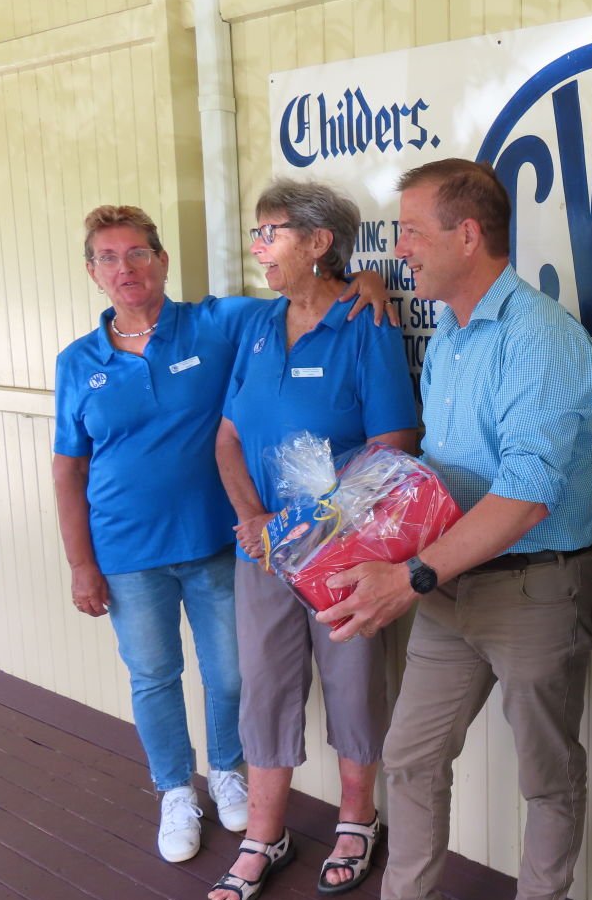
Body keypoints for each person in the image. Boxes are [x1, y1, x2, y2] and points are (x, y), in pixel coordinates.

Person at [315, 158, 592, 900]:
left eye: (411, 231)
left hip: (531, 589)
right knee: (410, 757)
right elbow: (445, 477)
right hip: (446, 587)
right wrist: (352, 522)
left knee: (546, 776)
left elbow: (525, 495)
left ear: (467, 234)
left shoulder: (540, 335)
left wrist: (409, 575)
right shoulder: (449, 331)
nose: (398, 248)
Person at [52, 205, 390, 865]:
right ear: (92, 272)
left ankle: (229, 771)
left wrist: (365, 281)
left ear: (163, 260)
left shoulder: (219, 323)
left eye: (139, 254)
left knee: (232, 673)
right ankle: (176, 790)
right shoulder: (77, 363)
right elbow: (68, 470)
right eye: (110, 258)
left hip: (215, 542)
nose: (127, 269)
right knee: (153, 675)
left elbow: (304, 293)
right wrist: (79, 564)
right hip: (124, 551)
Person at [205, 179, 417, 900]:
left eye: (271, 234)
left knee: (354, 682)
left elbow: (394, 444)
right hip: (262, 550)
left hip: (342, 553)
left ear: (318, 242)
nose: (258, 248)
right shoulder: (259, 326)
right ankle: (265, 835)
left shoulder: (367, 323)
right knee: (265, 686)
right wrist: (254, 517)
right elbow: (229, 436)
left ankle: (357, 817)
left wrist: (319, 530)